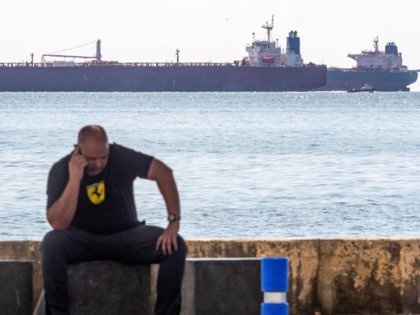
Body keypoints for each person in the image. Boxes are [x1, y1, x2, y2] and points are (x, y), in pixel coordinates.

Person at [41, 125, 187, 315]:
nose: (100, 163)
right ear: (77, 149)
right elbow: (58, 224)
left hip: (126, 237)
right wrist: (74, 179)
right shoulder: (61, 169)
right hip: (82, 240)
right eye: (92, 159)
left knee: (176, 246)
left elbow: (164, 173)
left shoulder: (120, 156)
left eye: (104, 157)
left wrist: (173, 222)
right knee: (51, 244)